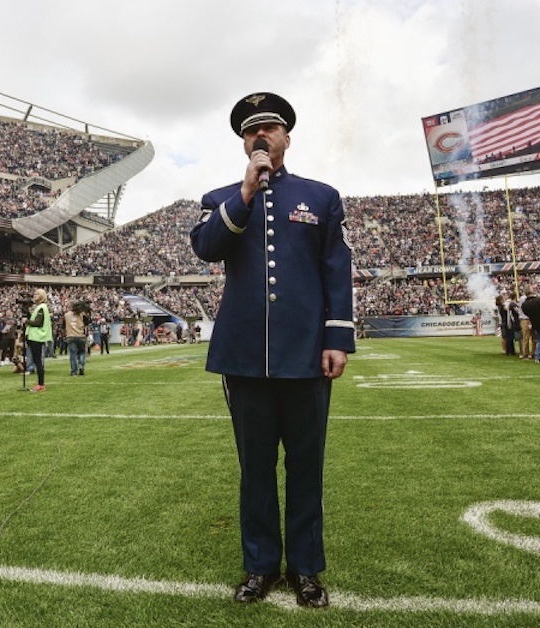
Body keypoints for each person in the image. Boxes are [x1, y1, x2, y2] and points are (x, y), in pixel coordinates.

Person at [190, 92, 354, 609]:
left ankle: (306, 569)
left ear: (286, 137)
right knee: (255, 469)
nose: (260, 138)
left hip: (306, 356)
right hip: (244, 359)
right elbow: (207, 247)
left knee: (306, 467)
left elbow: (336, 269)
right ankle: (260, 566)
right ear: (244, 142)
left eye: (269, 130)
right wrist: (242, 194)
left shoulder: (321, 196)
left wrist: (337, 338)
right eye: (250, 132)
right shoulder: (219, 196)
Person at [24, 289, 52, 392]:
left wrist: (26, 321)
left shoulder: (42, 307)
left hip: (37, 336)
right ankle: (40, 383)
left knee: (37, 361)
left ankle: (41, 384)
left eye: (37, 294)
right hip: (35, 336)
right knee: (37, 360)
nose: (34, 296)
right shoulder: (39, 307)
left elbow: (38, 323)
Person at [64, 303, 88, 376]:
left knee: (73, 354)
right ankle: (81, 365)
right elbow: (86, 323)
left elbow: (63, 326)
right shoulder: (82, 315)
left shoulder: (66, 315)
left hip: (70, 336)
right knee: (82, 352)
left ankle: (74, 371)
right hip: (80, 336)